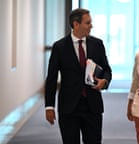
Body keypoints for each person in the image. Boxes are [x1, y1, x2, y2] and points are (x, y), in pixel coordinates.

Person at [45, 8, 112, 144]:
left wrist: (104, 81)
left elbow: (107, 69)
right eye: (88, 23)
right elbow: (51, 78)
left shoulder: (97, 44)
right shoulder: (60, 47)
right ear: (76, 24)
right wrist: (49, 106)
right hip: (69, 108)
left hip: (92, 106)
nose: (91, 26)